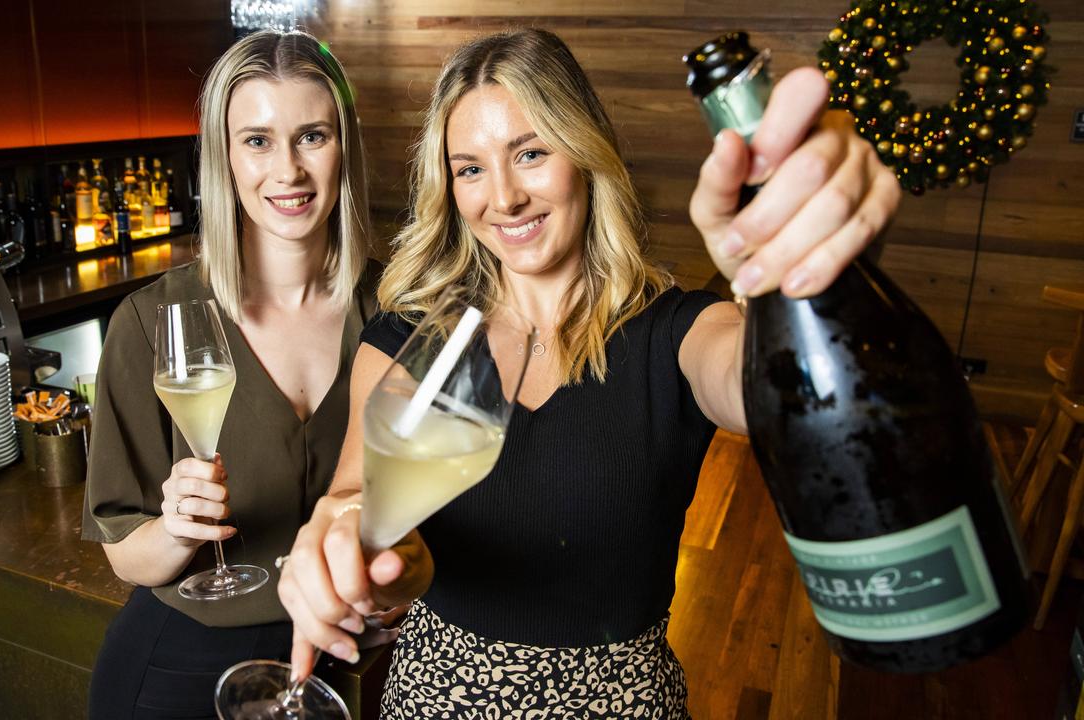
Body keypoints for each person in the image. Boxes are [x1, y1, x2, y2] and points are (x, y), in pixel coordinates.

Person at [275, 28, 901, 717]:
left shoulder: (677, 330)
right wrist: (356, 556)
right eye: (470, 168)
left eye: (531, 153)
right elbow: (361, 508)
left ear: (586, 153)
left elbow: (773, 390)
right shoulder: (412, 338)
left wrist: (799, 279)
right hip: (434, 697)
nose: (504, 198)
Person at [81, 30, 391, 719]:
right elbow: (124, 556)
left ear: (346, 149)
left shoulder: (395, 314)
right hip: (181, 664)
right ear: (223, 157)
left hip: (341, 659)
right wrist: (176, 528)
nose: (288, 171)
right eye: (256, 140)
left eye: (312, 136)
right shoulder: (150, 320)